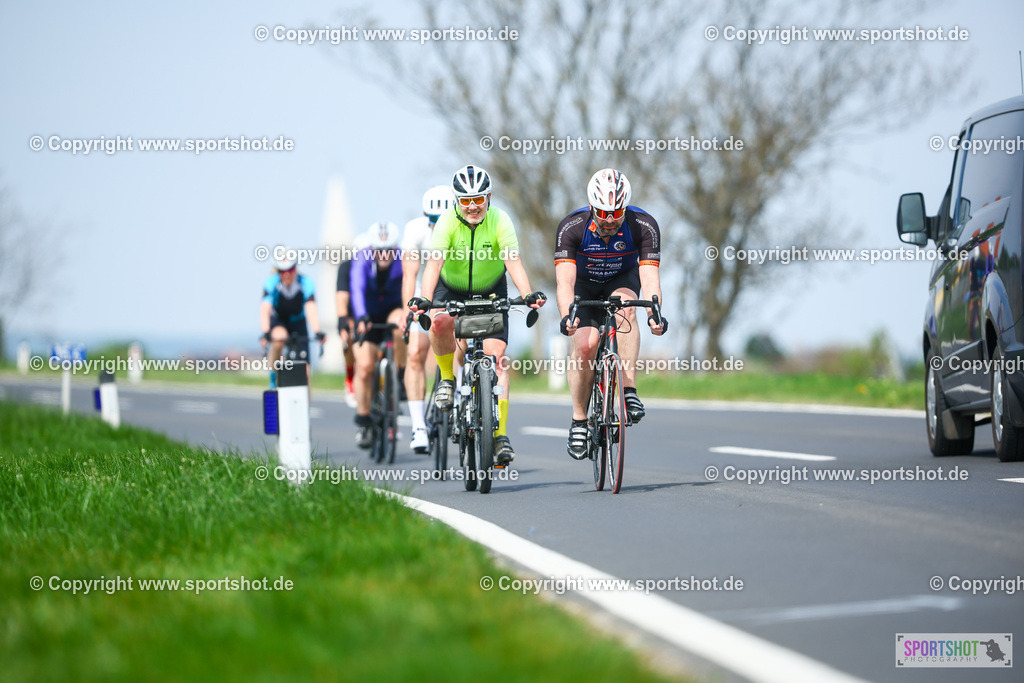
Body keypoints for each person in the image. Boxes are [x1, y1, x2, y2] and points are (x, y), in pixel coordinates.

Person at [409, 165, 547, 466]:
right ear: (457, 201)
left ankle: (499, 437)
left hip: (491, 290)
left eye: (479, 200)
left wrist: (527, 294)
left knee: (497, 360)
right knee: (440, 321)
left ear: (489, 197)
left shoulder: (500, 220)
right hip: (451, 288)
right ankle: (447, 378)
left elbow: (513, 260)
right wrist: (426, 298)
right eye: (466, 201)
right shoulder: (446, 222)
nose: (473, 207)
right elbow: (434, 264)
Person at [554, 169, 667, 460]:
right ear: (592, 206)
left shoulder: (644, 226)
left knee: (627, 307)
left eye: (616, 213)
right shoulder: (571, 227)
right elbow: (564, 281)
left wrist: (655, 312)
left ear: (626, 207)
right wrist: (569, 316)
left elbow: (651, 279)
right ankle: (579, 420)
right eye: (602, 212)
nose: (609, 220)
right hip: (584, 284)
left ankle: (628, 389)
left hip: (622, 279)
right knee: (586, 344)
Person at [402, 185, 454, 453]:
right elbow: (410, 274)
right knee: (415, 353)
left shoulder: (463, 227)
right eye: (433, 221)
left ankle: (464, 394)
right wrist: (407, 310)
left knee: (462, 347)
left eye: (442, 221)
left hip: (455, 295)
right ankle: (418, 426)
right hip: (426, 296)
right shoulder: (415, 230)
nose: (437, 226)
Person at [350, 222, 407, 449]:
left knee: (399, 325)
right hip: (368, 315)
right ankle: (364, 421)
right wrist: (361, 316)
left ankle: (400, 376)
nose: (384, 255)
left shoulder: (403, 257)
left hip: (392, 308)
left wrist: (408, 313)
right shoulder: (362, 258)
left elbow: (410, 286)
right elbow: (356, 288)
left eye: (389, 250)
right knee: (364, 367)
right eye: (379, 250)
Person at [260, 253, 325, 387]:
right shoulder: (272, 283)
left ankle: (305, 406)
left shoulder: (306, 283)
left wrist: (318, 332)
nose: (287, 275)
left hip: (298, 323)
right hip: (279, 320)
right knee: (279, 337)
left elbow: (311, 308)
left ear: (295, 268)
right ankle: (274, 373)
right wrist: (266, 332)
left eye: (290, 270)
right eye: (283, 271)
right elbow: (265, 310)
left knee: (305, 371)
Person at [336, 231, 372, 407]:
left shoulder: (377, 266)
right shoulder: (346, 268)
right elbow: (342, 297)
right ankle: (350, 375)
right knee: (349, 335)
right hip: (352, 312)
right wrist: (342, 320)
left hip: (371, 309)